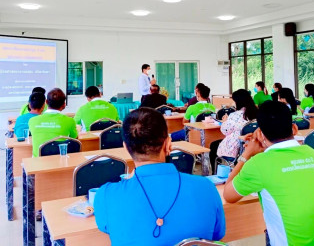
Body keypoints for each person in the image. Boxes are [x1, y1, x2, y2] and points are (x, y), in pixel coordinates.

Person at [94, 108, 226, 246]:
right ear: (168, 144)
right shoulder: (206, 188)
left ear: (126, 148)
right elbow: (217, 236)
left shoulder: (106, 195)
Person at [223, 101, 314, 246]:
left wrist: (247, 154)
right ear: (295, 129)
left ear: (260, 133)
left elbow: (228, 195)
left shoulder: (259, 163)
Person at [210, 89, 258, 173]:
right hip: (252, 146)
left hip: (236, 148)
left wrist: (225, 121)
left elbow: (225, 131)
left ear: (238, 102)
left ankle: (216, 173)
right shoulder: (257, 113)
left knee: (213, 145)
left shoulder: (235, 115)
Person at [29, 88, 78, 157]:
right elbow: (75, 140)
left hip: (38, 163)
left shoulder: (32, 121)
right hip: (61, 161)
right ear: (64, 104)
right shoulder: (70, 121)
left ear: (46, 102)